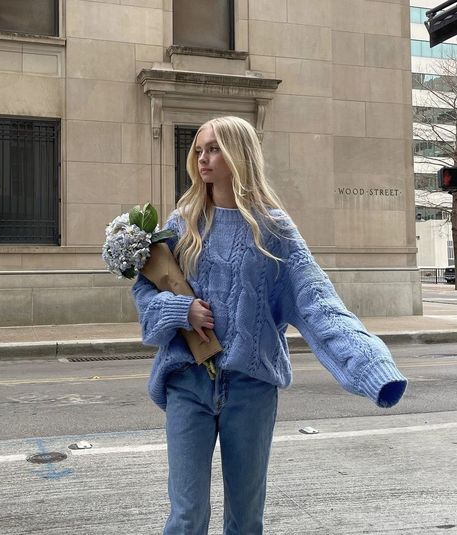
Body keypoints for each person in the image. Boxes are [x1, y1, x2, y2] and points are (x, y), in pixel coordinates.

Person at [132, 116, 408, 535]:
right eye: (199, 150)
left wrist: (371, 367)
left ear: (239, 154)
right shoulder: (183, 221)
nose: (203, 158)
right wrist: (179, 312)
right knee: (186, 517)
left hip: (251, 388)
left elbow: (318, 302)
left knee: (246, 520)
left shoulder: (273, 229)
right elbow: (146, 292)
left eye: (214, 148)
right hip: (188, 383)